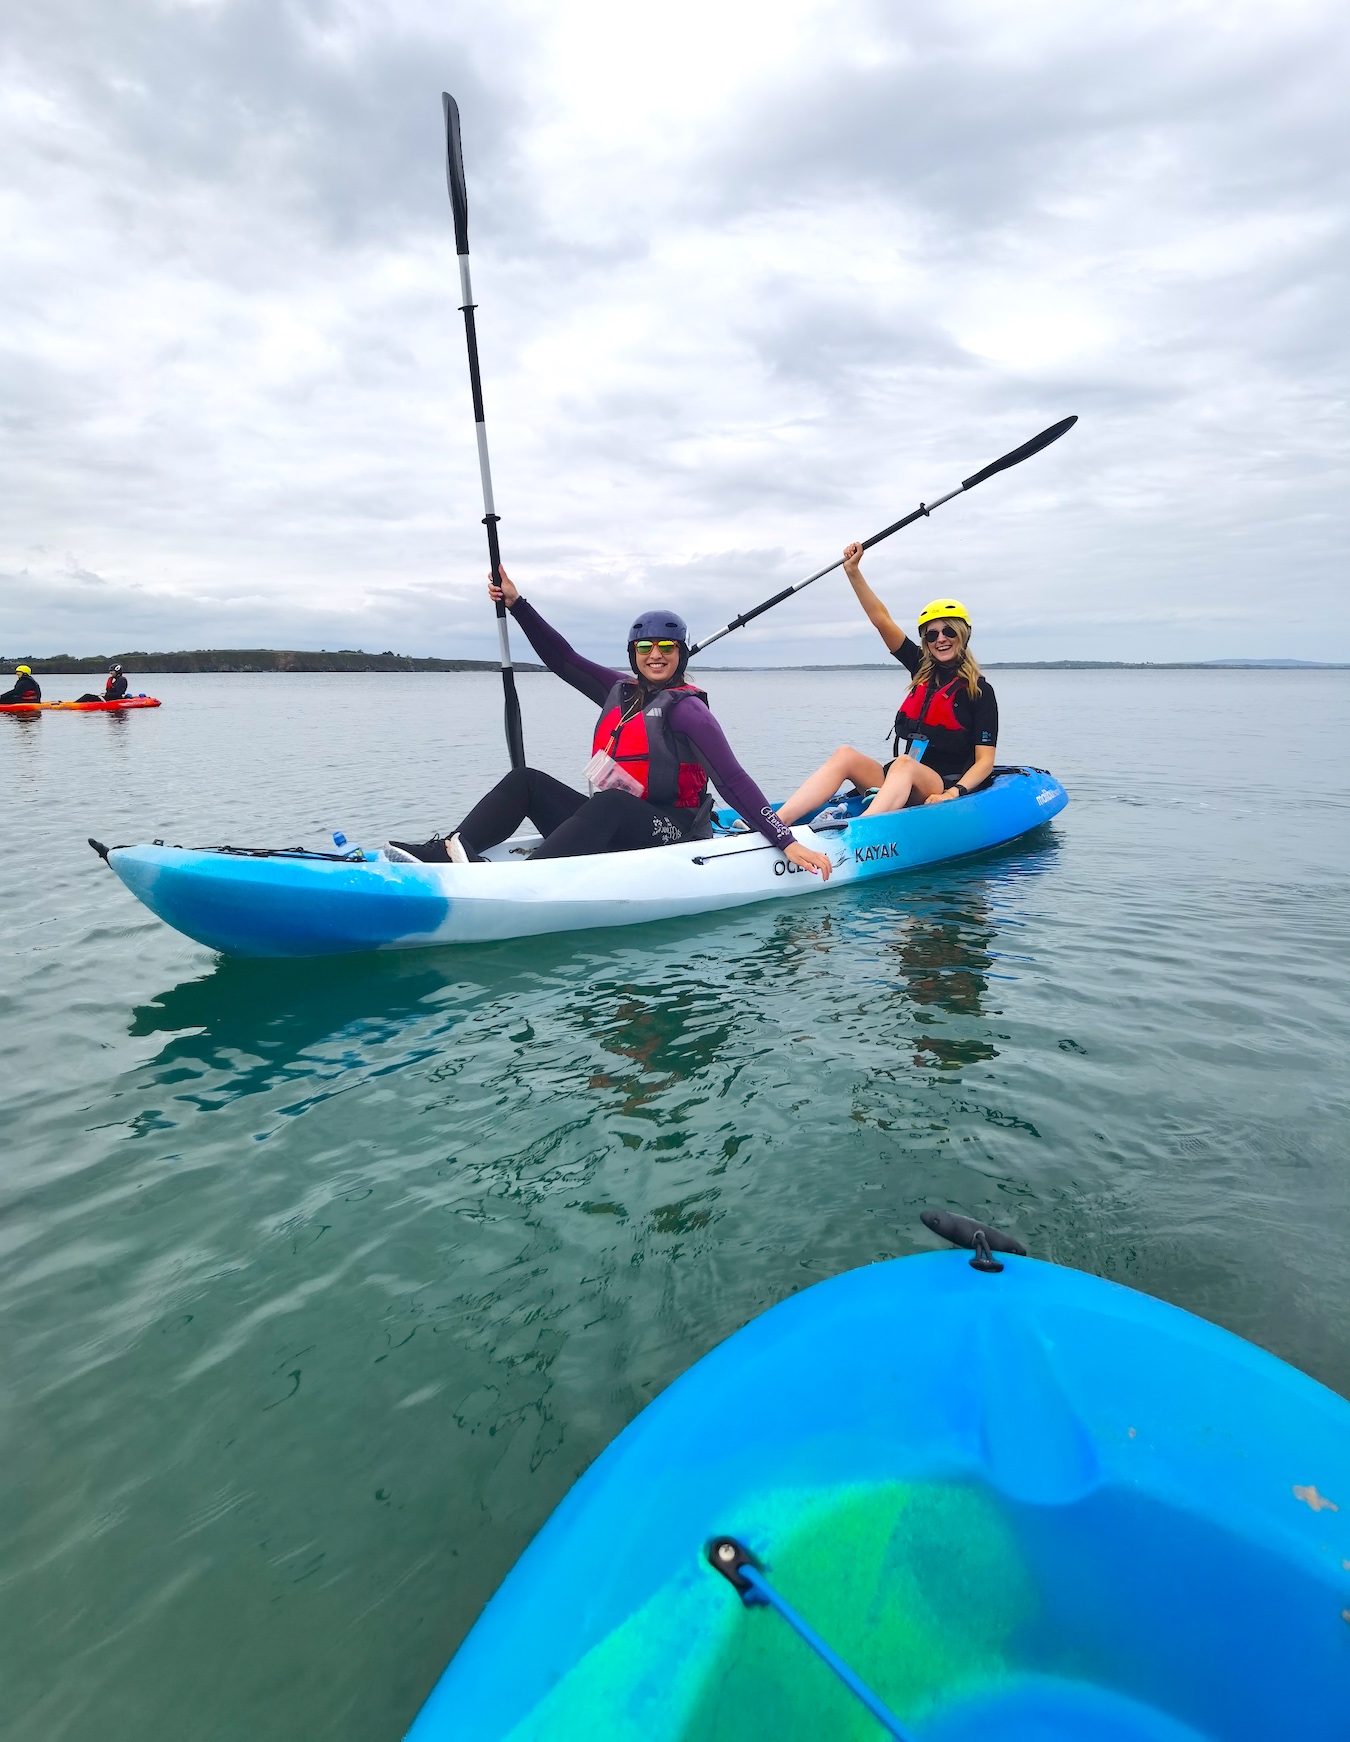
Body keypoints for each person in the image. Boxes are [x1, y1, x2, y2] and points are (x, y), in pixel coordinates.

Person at [393, 569, 833, 879]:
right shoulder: (620, 692)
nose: (655, 654)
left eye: (666, 646)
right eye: (645, 647)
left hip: (672, 834)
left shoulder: (689, 711)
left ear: (681, 653)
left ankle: (528, 876)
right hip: (619, 826)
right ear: (633, 653)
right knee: (527, 781)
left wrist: (785, 840)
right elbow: (564, 660)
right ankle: (453, 852)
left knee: (610, 805)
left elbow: (733, 780)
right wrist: (517, 604)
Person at [777, 543, 998, 824]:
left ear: (962, 634)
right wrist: (852, 571)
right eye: (931, 635)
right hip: (900, 778)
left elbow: (984, 762)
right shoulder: (921, 668)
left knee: (905, 764)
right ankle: (776, 823)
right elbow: (881, 620)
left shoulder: (980, 692)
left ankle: (860, 828)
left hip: (938, 787)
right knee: (845, 755)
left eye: (948, 631)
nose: (940, 639)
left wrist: (953, 793)